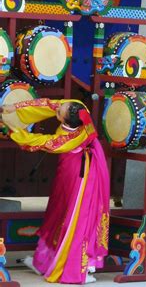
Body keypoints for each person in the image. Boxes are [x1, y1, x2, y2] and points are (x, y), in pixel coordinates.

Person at [1, 99, 110, 284]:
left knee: (78, 218)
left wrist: (11, 130)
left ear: (66, 122)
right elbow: (49, 104)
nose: (57, 109)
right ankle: (44, 261)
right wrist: (14, 108)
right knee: (57, 212)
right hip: (68, 169)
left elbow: (41, 141)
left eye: (60, 112)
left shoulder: (69, 139)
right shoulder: (76, 106)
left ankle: (79, 267)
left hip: (83, 176)